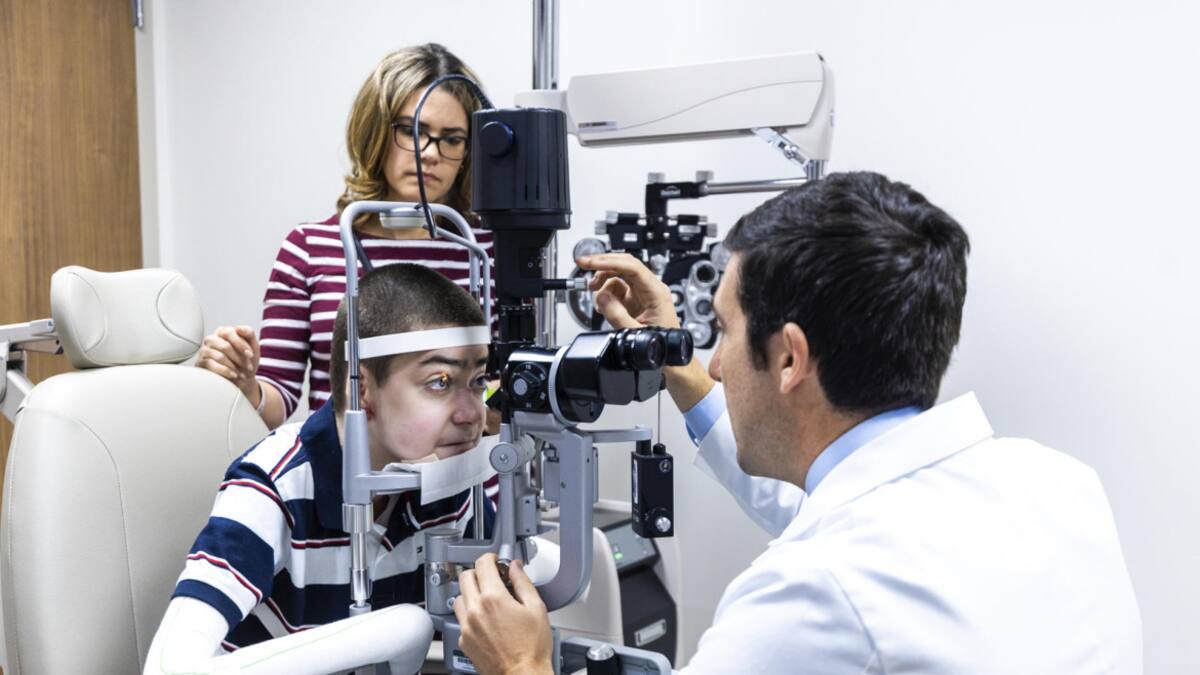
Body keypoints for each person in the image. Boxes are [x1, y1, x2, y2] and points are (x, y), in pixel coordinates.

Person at [451, 172, 1143, 673]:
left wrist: (520, 664)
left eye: (721, 331)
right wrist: (676, 360)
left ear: (789, 358)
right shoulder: (1054, 482)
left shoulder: (814, 592)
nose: (715, 364)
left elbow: (836, 570)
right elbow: (825, 502)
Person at [146, 263, 494, 669]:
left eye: (478, 382)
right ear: (361, 388)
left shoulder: (448, 479)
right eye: (440, 381)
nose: (474, 415)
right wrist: (401, 628)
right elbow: (168, 668)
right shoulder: (272, 488)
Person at [196, 43, 495, 431]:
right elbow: (277, 401)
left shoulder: (483, 251)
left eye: (452, 138)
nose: (429, 153)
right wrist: (242, 381)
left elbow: (507, 388)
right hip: (348, 484)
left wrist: (475, 398)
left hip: (462, 486)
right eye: (410, 131)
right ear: (374, 131)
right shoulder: (309, 249)